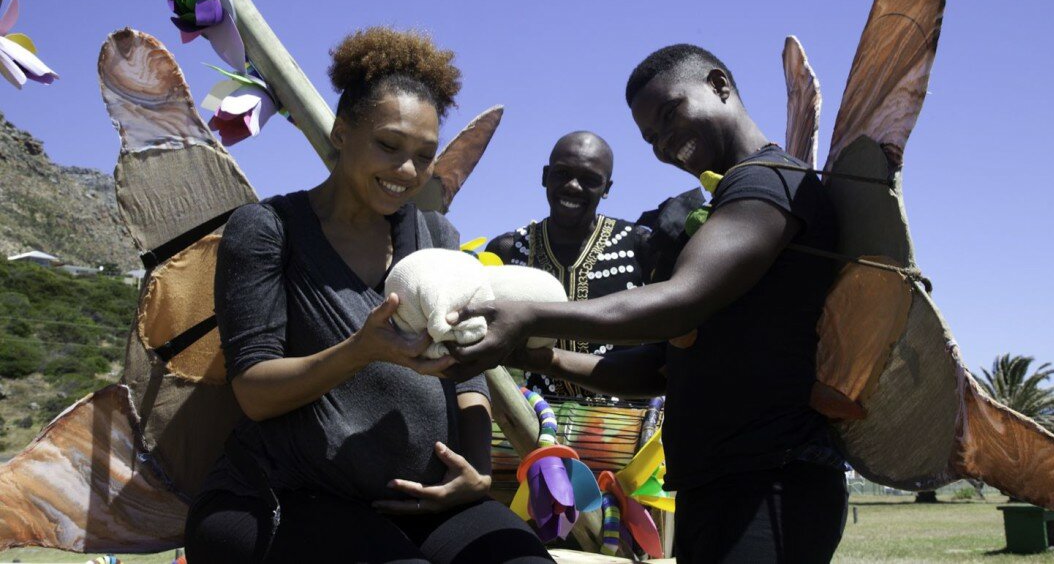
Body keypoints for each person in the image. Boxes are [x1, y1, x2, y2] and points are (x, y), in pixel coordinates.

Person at [450, 44, 848, 563]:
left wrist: (529, 315)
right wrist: (535, 356)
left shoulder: (769, 182)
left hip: (772, 479)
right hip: (721, 483)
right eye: (651, 136)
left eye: (670, 114)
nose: (664, 143)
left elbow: (680, 303)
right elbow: (662, 368)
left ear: (719, 85)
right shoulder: (733, 197)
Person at [184, 27, 551, 564]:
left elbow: (468, 366)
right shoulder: (268, 230)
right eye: (388, 145)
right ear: (340, 131)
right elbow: (255, 393)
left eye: (424, 156)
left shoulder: (435, 235)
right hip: (281, 496)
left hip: (423, 501)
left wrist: (473, 471)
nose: (406, 171)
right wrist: (363, 348)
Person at [485, 131, 652, 397]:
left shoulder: (639, 245)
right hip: (537, 420)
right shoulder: (507, 250)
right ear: (545, 176)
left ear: (606, 188)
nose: (573, 186)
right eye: (562, 173)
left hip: (626, 422)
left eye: (589, 179)